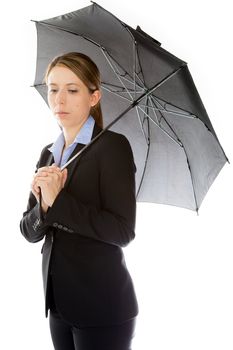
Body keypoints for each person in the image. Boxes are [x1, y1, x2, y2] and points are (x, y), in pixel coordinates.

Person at [19, 52, 139, 350]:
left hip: (102, 307)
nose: (59, 100)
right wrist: (44, 207)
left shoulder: (112, 147)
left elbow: (122, 231)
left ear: (94, 97)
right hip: (58, 305)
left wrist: (57, 201)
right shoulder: (49, 154)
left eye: (72, 90)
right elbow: (28, 230)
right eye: (53, 88)